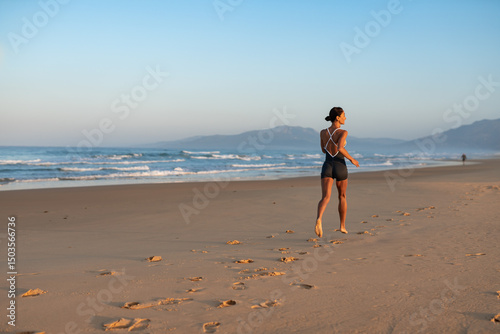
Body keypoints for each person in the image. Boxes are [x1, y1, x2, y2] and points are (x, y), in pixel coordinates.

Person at [315, 107, 359, 237]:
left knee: (325, 197)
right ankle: (342, 226)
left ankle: (319, 219)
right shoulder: (343, 132)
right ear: (338, 118)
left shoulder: (323, 132)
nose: (345, 118)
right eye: (344, 115)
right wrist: (352, 159)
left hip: (327, 165)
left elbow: (323, 150)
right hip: (340, 165)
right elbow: (340, 148)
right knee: (342, 196)